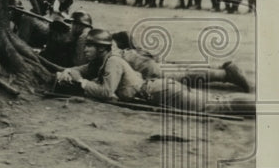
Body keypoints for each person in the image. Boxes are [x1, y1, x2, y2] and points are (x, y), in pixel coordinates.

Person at [54, 29, 254, 116]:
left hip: (161, 92)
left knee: (215, 105)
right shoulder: (101, 60)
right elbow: (80, 70)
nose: (85, 50)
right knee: (214, 101)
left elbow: (107, 93)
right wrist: (67, 72)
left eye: (89, 46)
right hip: (157, 90)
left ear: (100, 48)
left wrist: (81, 83)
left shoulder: (112, 61)